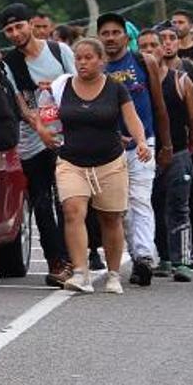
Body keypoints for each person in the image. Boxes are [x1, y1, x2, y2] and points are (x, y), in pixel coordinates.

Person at [52, 38, 151, 294]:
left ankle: (114, 273)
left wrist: (141, 142)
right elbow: (44, 111)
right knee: (73, 210)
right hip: (71, 161)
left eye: (88, 58)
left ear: (101, 60)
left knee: (111, 218)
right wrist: (42, 129)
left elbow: (132, 118)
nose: (82, 63)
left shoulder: (116, 88)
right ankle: (80, 272)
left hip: (109, 162)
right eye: (78, 58)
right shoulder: (63, 86)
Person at [0, 2, 74, 287]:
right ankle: (57, 263)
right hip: (32, 140)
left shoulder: (59, 52)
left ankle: (76, 257)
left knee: (67, 200)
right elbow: (20, 103)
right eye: (9, 30)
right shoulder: (9, 63)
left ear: (31, 24)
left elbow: (77, 85)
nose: (16, 33)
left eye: (19, 26)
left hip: (67, 135)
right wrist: (40, 128)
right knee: (42, 203)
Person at [137, 29, 193, 281]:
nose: (149, 50)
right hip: (145, 155)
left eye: (154, 45)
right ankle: (165, 258)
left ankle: (182, 260)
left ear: (164, 48)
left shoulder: (181, 80)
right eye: (144, 46)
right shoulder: (135, 84)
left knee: (179, 207)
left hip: (180, 153)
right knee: (153, 206)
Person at [96, 13, 167, 287]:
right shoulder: (96, 67)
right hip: (108, 147)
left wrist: (166, 144)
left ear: (127, 37)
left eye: (116, 32)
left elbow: (159, 106)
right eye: (106, 33)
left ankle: (144, 258)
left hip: (142, 143)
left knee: (140, 199)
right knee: (118, 207)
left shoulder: (143, 61)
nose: (111, 37)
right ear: (99, 37)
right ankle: (135, 251)